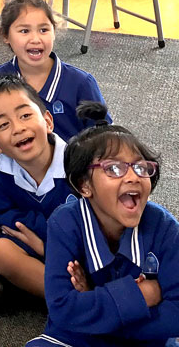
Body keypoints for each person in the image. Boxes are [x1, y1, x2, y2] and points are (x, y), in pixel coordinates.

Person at [26, 103, 179, 347]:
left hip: (145, 339)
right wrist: (142, 295)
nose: (132, 177)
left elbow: (176, 315)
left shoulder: (165, 227)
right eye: (114, 168)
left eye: (141, 166)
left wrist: (93, 302)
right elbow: (62, 309)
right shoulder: (64, 223)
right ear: (84, 185)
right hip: (77, 337)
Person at [0, 74, 73, 313]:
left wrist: (46, 245)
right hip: (29, 241)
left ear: (48, 121)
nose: (18, 128)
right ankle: (71, 300)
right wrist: (37, 235)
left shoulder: (78, 165)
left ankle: (34, 289)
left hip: (75, 245)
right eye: (3, 125)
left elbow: (93, 224)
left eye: (25, 115)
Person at [0, 0, 111, 143]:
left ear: (54, 32)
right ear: (5, 36)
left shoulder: (81, 83)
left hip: (69, 164)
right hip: (16, 162)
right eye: (24, 31)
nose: (36, 39)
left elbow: (104, 138)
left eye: (44, 30)